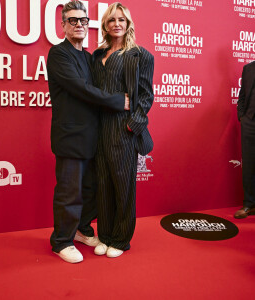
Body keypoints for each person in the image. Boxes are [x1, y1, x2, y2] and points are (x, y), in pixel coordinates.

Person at [47, 0, 130, 263]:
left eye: (83, 21)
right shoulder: (58, 54)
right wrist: (119, 100)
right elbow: (81, 89)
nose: (80, 25)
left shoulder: (88, 56)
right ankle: (61, 241)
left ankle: (82, 230)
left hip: (95, 137)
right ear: (63, 25)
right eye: (73, 20)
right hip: (70, 137)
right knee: (69, 192)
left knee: (91, 190)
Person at [92, 2, 154, 258]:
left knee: (123, 185)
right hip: (98, 127)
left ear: (128, 24)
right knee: (103, 183)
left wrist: (133, 125)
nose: (116, 23)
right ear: (105, 25)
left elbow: (146, 96)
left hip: (123, 128)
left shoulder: (140, 55)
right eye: (111, 20)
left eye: (121, 19)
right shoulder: (97, 55)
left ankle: (120, 238)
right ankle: (105, 235)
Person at [235, 61, 255, 219]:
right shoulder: (248, 68)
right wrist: (242, 116)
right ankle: (249, 204)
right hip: (249, 122)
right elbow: (242, 95)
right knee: (248, 164)